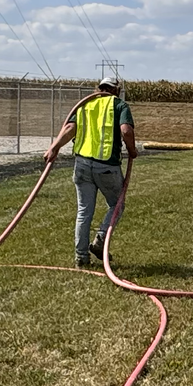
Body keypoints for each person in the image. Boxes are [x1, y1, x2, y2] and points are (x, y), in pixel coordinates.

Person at [45, 78, 137, 268]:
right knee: (117, 205)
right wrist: (132, 149)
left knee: (84, 211)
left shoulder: (85, 104)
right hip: (106, 167)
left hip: (82, 166)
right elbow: (126, 131)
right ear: (116, 90)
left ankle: (81, 257)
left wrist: (54, 148)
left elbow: (70, 128)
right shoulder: (119, 105)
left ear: (99, 88)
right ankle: (101, 239)